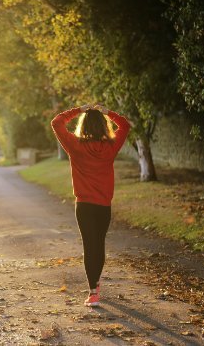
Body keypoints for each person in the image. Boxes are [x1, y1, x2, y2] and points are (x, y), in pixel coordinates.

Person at [51, 103, 130, 307]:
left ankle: (93, 291)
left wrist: (79, 110)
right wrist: (107, 112)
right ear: (104, 126)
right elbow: (125, 125)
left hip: (84, 206)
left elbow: (57, 122)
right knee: (99, 244)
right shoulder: (111, 146)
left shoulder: (75, 145)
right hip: (103, 206)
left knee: (89, 245)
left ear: (83, 126)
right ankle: (95, 285)